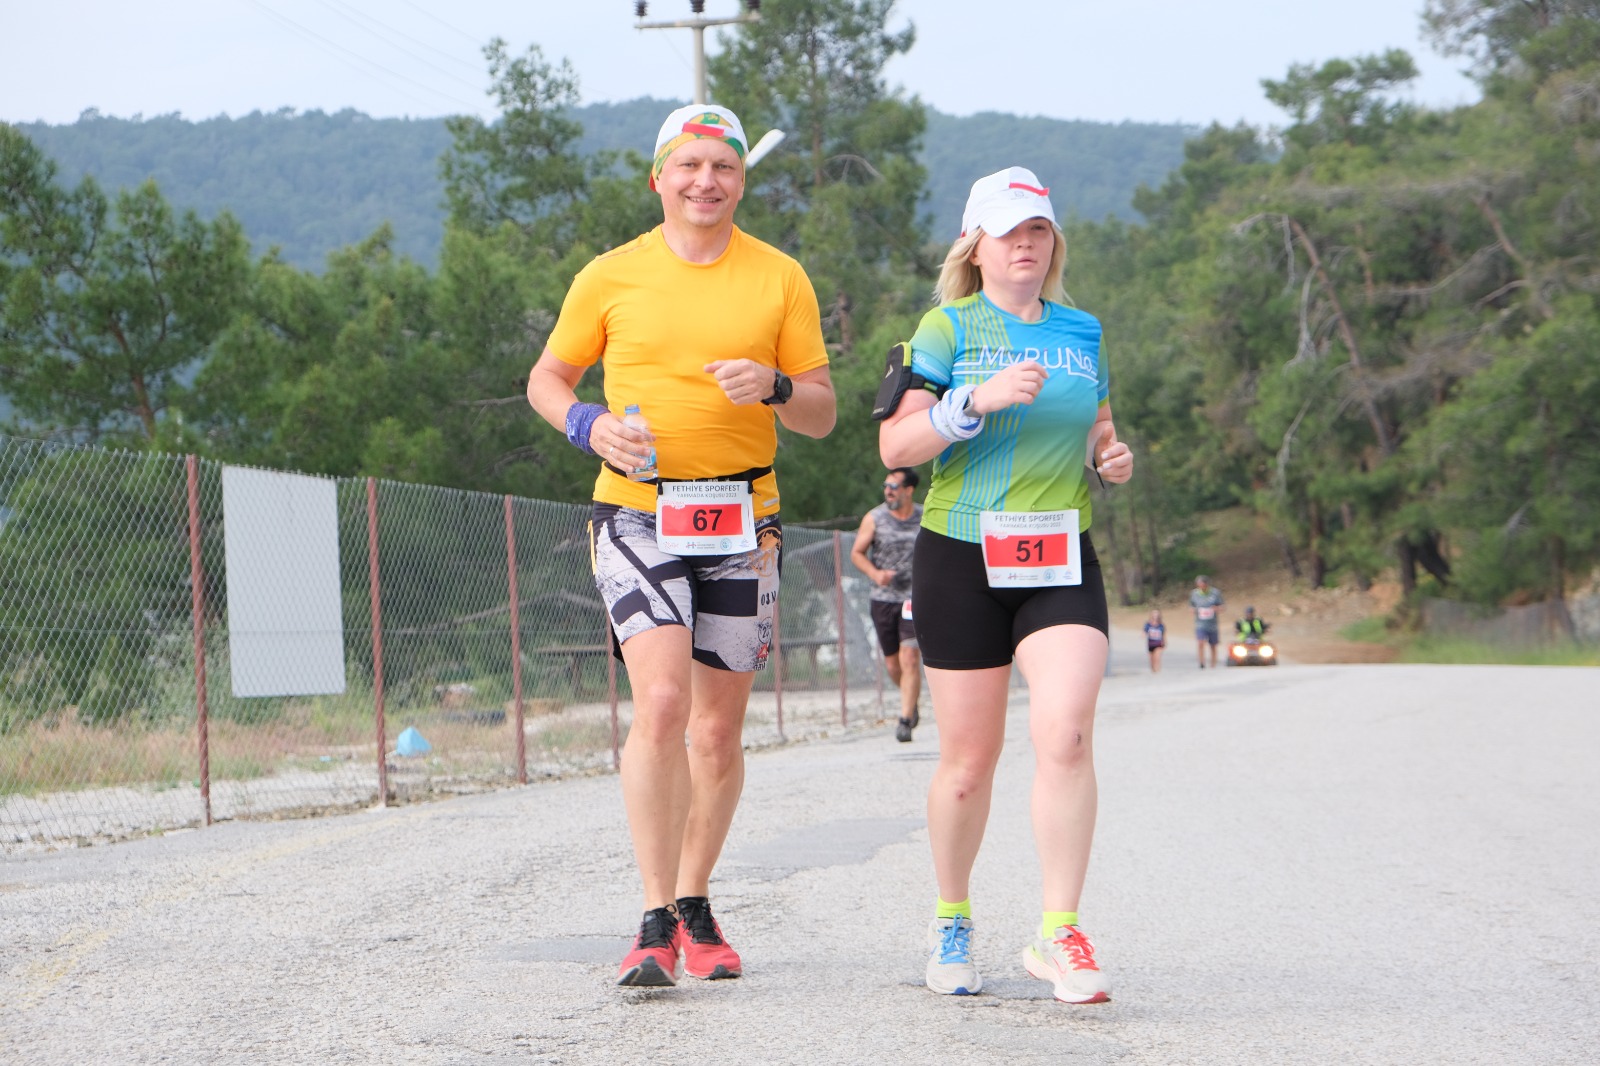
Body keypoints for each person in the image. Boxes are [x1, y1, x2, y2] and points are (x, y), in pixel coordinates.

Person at [525, 103, 836, 988]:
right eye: (690, 166)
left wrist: (776, 386)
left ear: (742, 181)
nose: (707, 182)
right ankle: (654, 917)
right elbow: (547, 378)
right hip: (636, 512)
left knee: (717, 730)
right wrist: (587, 424)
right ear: (659, 177)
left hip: (744, 520)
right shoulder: (611, 274)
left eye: (723, 169)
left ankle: (696, 901)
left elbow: (821, 412)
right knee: (661, 702)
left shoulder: (780, 278)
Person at [878, 166, 1134, 1004]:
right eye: (1009, 231)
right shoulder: (946, 327)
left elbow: (1096, 421)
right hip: (962, 556)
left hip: (1060, 556)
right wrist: (973, 401)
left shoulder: (1083, 331)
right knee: (967, 762)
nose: (1026, 244)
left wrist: (1108, 455)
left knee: (1065, 735)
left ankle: (1058, 933)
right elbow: (896, 447)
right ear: (976, 245)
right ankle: (952, 917)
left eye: (1039, 232)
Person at [850, 467, 925, 742]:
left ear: (908, 490)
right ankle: (911, 698)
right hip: (882, 598)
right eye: (886, 486)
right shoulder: (875, 517)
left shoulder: (924, 516)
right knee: (893, 664)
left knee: (910, 658)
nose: (888, 491)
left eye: (894, 486)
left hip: (913, 598)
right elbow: (857, 553)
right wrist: (875, 574)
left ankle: (905, 719)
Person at [1190, 575, 1224, 668]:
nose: (1202, 587)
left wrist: (1216, 608)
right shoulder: (1194, 594)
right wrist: (1193, 610)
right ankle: (1202, 662)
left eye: (1203, 585)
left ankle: (1213, 664)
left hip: (1212, 624)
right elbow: (1191, 606)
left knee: (1213, 644)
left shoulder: (1215, 593)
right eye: (1200, 585)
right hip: (1200, 623)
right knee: (1200, 642)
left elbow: (1222, 607)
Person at [1143, 609, 1166, 673]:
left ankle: (1158, 670)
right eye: (1154, 614)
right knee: (1152, 659)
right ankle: (1153, 670)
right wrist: (1143, 634)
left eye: (1157, 614)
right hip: (1150, 644)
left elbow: (1163, 634)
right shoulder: (1148, 624)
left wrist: (1164, 642)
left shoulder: (1161, 625)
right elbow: (1144, 631)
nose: (1155, 616)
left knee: (1157, 657)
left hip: (1158, 643)